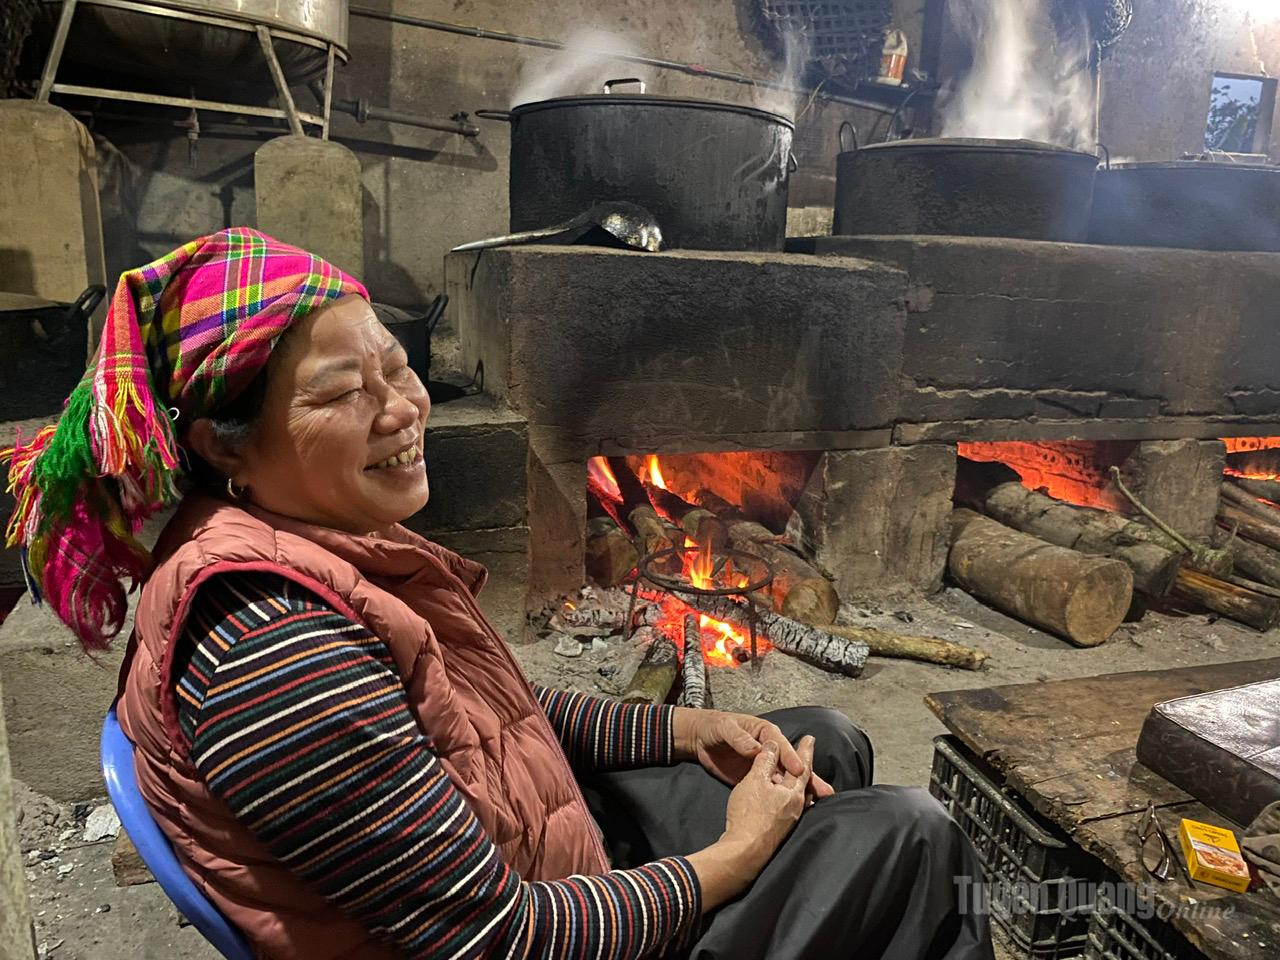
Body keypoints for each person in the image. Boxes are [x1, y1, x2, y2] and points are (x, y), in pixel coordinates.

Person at [3, 228, 994, 960]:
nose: (402, 410)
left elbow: (489, 719)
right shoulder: (270, 644)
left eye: (396, 369)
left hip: (533, 854)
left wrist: (680, 734)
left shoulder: (313, 536)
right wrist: (729, 862)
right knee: (912, 834)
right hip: (517, 933)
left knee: (825, 730)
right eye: (342, 391)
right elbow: (499, 937)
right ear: (224, 443)